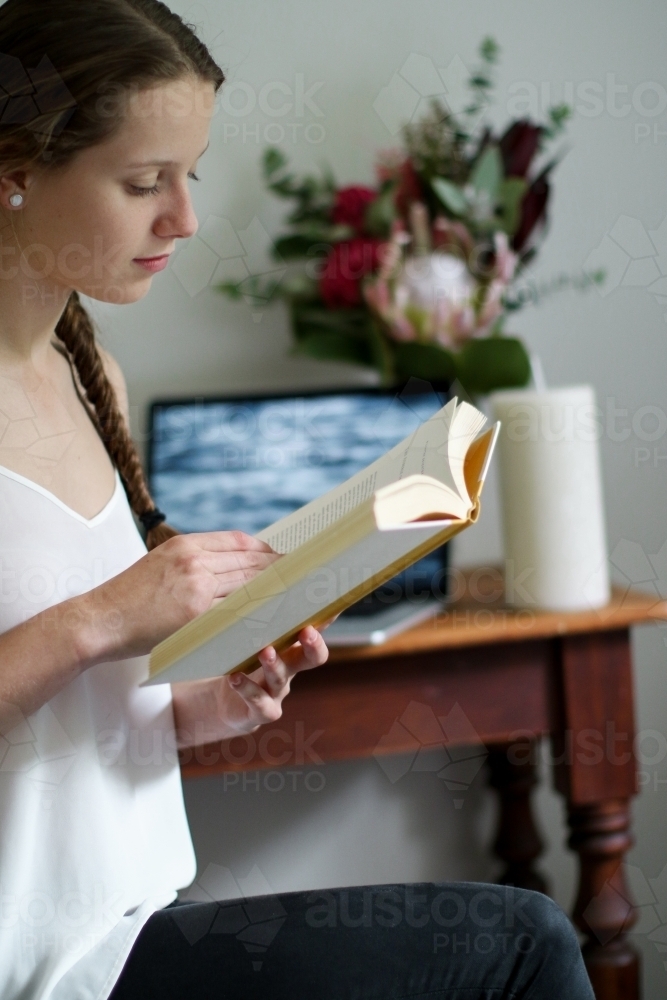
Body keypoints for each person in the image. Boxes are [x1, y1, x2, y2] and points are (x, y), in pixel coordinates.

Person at [0, 2, 595, 998]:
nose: (183, 218)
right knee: (521, 943)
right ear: (15, 171)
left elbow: (71, 719)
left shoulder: (87, 367)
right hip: (47, 969)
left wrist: (199, 705)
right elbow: (77, 632)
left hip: (133, 923)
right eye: (145, 182)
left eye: (189, 175)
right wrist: (106, 617)